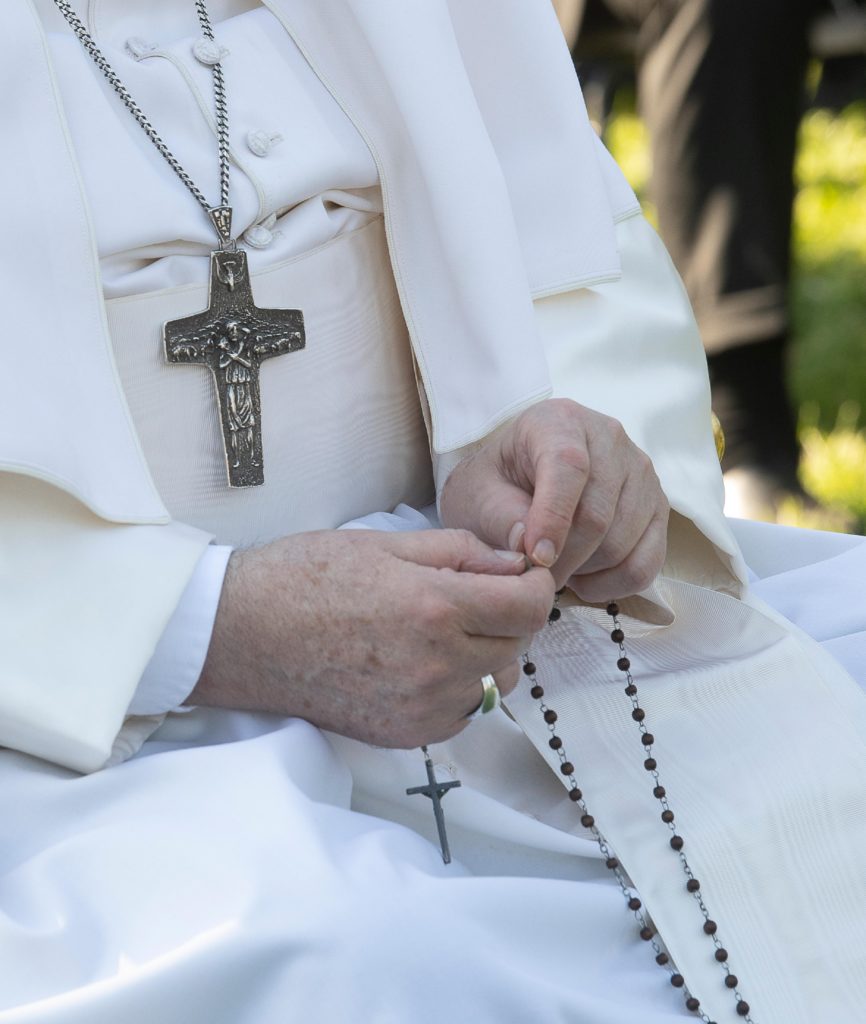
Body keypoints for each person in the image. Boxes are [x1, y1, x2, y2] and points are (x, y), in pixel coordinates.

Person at [2, 2, 865, 1022]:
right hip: (91, 727)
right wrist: (197, 626)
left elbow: (567, 239)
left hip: (484, 610)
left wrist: (561, 446)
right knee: (360, 962)